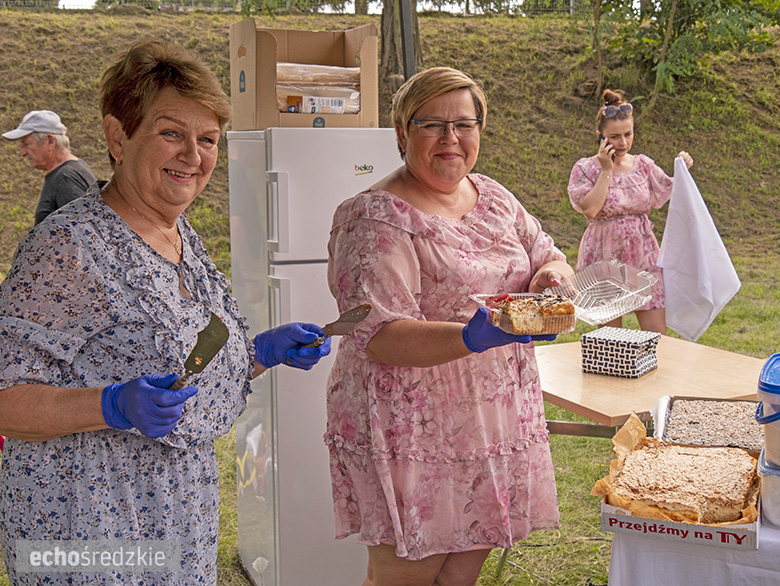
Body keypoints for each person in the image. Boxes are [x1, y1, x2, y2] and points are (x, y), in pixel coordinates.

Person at [0, 38, 331, 585]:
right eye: (171, 133)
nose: (194, 156)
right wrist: (108, 406)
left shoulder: (178, 235)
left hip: (177, 521)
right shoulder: (68, 246)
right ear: (117, 136)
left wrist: (257, 353)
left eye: (207, 140)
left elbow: (176, 373)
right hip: (90, 530)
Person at [325, 66, 573, 586]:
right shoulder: (374, 217)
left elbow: (547, 255)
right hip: (411, 428)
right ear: (400, 133)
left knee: (460, 575)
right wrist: (470, 335)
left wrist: (552, 280)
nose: (450, 138)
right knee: (404, 578)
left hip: (493, 418)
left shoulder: (496, 198)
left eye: (464, 124)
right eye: (431, 124)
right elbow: (380, 334)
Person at [568, 89, 694, 334]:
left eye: (628, 134)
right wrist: (606, 169)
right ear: (600, 136)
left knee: (657, 337)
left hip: (643, 255)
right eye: (614, 136)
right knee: (611, 342)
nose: (623, 143)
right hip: (603, 257)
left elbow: (671, 188)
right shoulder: (586, 168)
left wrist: (682, 167)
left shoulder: (643, 165)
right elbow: (590, 209)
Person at [2, 109, 98, 225]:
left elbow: (85, 233)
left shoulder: (66, 179)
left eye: (26, 144)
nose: (22, 153)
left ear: (50, 141)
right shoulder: (71, 170)